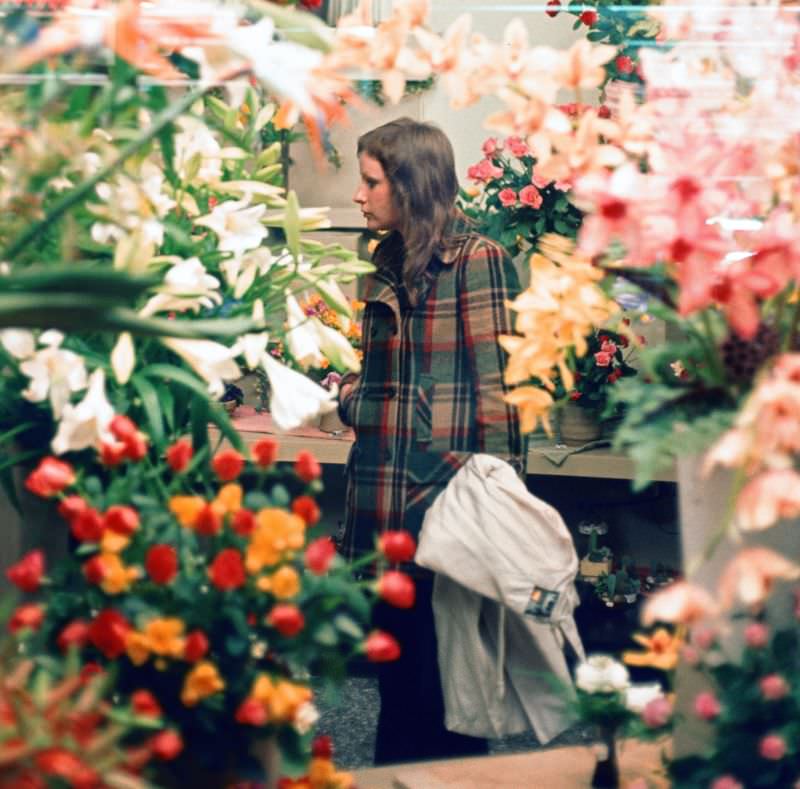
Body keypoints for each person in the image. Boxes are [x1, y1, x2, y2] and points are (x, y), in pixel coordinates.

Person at [337, 117, 525, 766]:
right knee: (398, 690)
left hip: (446, 513)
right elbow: (389, 393)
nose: (359, 197)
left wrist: (503, 510)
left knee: (452, 700)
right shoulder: (387, 262)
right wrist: (346, 396)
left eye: (370, 182)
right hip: (384, 507)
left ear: (410, 184)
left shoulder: (479, 262)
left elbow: (501, 394)